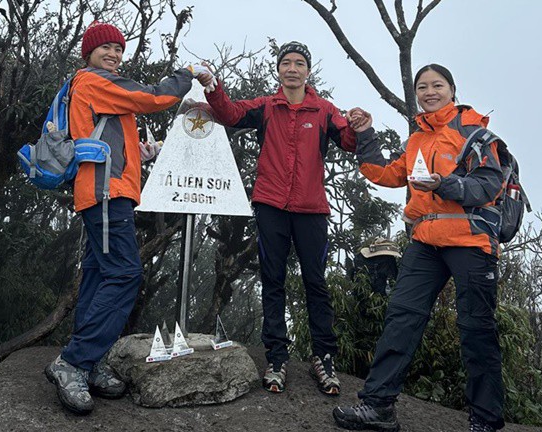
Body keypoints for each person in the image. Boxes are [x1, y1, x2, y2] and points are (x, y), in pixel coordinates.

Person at [44, 20, 214, 415]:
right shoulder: (93, 80)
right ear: (89, 53)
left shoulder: (96, 88)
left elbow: (107, 139)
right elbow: (152, 97)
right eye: (106, 48)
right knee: (124, 275)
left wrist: (144, 153)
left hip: (107, 193)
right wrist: (186, 75)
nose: (115, 54)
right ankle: (73, 361)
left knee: (102, 275)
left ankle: (89, 360)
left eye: (119, 49)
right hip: (106, 196)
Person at [333, 64, 505, 432]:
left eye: (437, 85)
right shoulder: (417, 140)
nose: (429, 92)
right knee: (401, 318)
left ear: (452, 89)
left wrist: (446, 184)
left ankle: (486, 420)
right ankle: (378, 407)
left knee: (476, 328)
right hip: (426, 241)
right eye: (422, 87)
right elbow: (386, 174)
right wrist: (365, 133)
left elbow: (489, 185)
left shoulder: (474, 132)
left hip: (469, 240)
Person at [204, 41, 360, 396]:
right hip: (271, 205)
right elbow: (230, 114)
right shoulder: (266, 106)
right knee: (272, 281)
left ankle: (324, 357)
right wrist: (213, 87)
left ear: (308, 71)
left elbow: (347, 140)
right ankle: (276, 357)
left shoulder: (323, 110)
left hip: (312, 210)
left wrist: (356, 125)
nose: (292, 68)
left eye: (299, 63)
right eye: (286, 63)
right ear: (278, 70)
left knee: (315, 284)